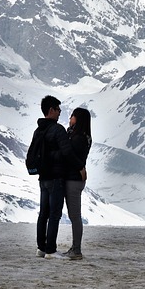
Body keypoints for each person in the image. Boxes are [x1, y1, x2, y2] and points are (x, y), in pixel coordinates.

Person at [31, 95, 83, 259]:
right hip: (56, 177)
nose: (60, 112)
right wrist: (80, 167)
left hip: (43, 177)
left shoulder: (38, 130)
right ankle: (51, 250)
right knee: (54, 214)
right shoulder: (57, 129)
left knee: (43, 214)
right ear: (51, 110)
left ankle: (41, 247)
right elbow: (67, 152)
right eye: (58, 109)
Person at [61, 107, 92, 260]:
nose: (70, 118)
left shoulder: (77, 137)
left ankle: (77, 249)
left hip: (73, 178)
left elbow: (70, 155)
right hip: (76, 178)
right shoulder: (84, 136)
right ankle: (75, 247)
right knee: (75, 216)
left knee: (75, 216)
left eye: (72, 116)